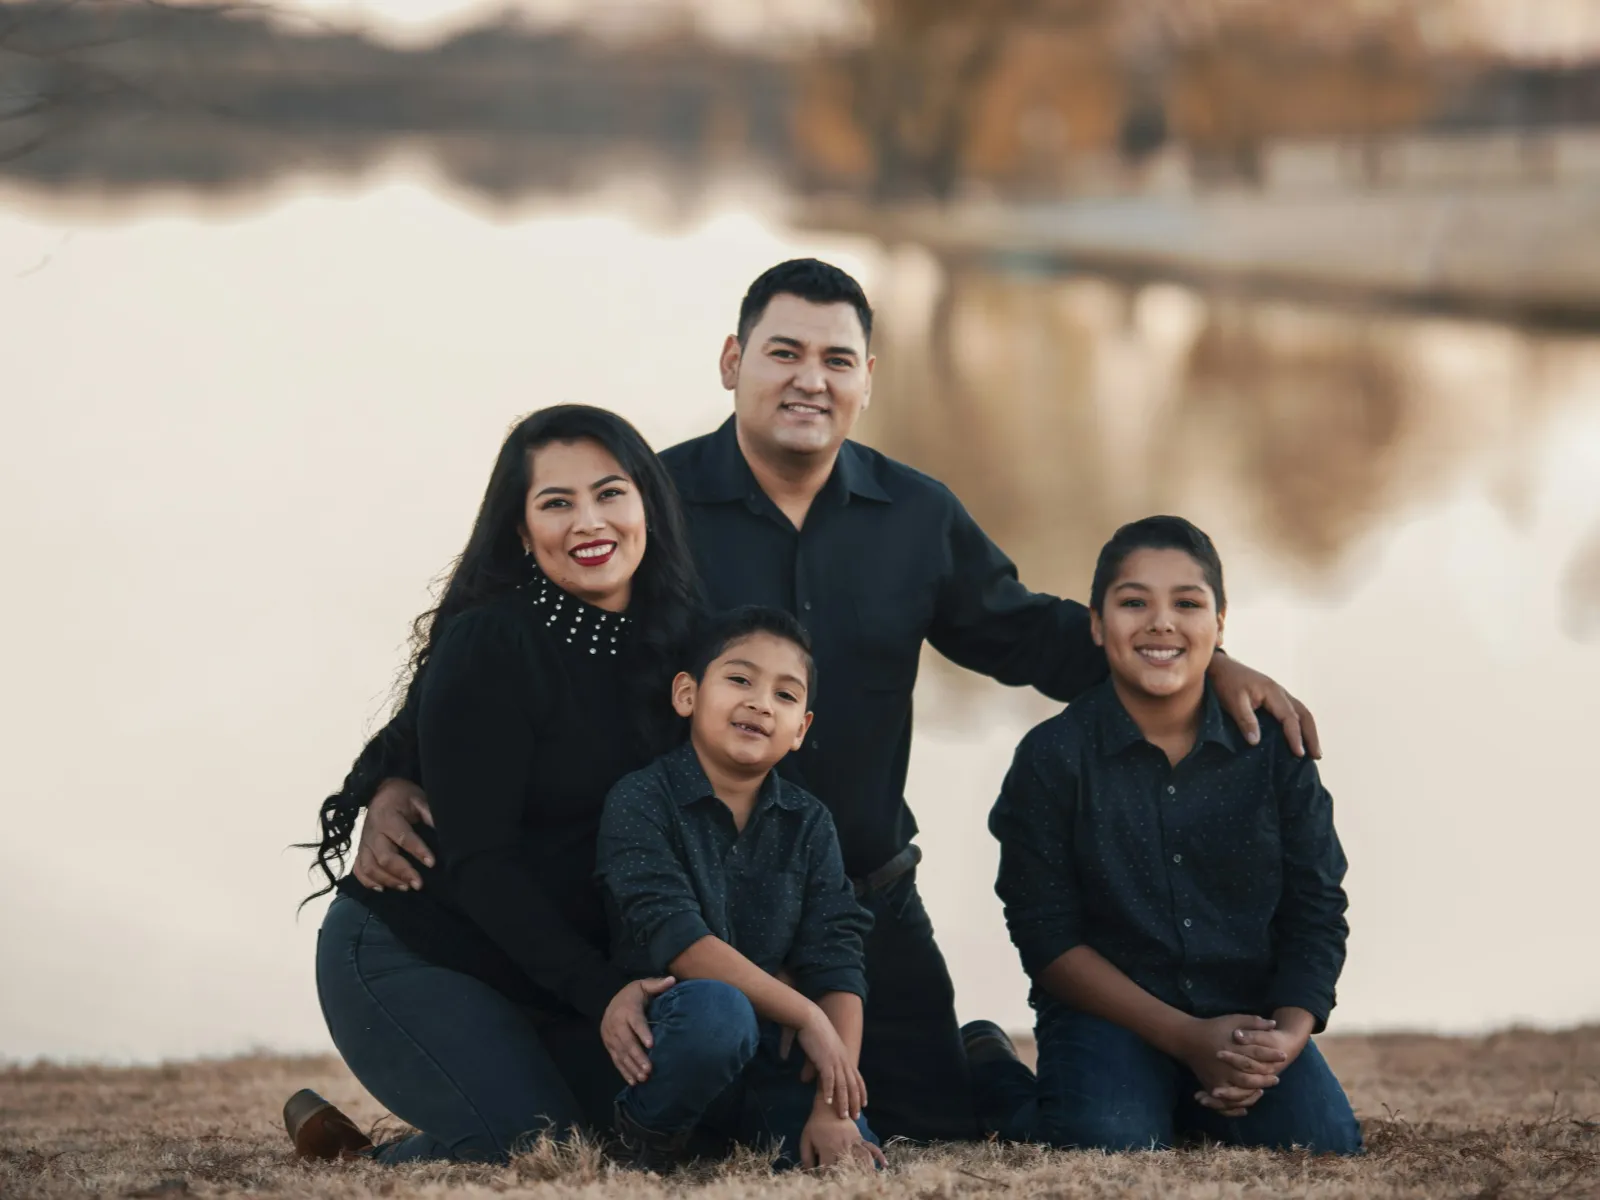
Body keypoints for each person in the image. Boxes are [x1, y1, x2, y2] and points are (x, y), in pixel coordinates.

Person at [345, 260, 1324, 1142]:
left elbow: (1027, 634)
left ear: (866, 380)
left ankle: (973, 1054)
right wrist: (392, 778)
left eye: (836, 359)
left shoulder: (918, 514)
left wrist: (1204, 664)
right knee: (735, 1118)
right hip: (712, 898)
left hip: (865, 892)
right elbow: (521, 647)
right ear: (733, 362)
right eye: (783, 352)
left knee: (940, 1123)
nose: (809, 379)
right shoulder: (649, 505)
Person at [285, 405, 702, 1163]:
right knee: (539, 1150)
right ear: (521, 530)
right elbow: (482, 863)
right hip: (417, 951)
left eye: (610, 493)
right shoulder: (492, 642)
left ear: (648, 502)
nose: (589, 522)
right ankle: (352, 1164)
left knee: (639, 1132)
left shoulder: (684, 642)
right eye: (556, 502)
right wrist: (603, 993)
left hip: (542, 969)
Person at [975, 516, 1360, 1154]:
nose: (1161, 623)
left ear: (1220, 625)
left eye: (1187, 604)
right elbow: (1045, 936)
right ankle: (988, 1065)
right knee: (1107, 1141)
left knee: (1322, 1142)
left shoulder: (1274, 749)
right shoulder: (1053, 757)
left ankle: (1179, 1102)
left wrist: (1286, 1037)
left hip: (1242, 1012)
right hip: (1111, 1015)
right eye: (1134, 603)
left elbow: (1317, 903)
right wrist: (1184, 1038)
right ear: (1096, 624)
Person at [596, 606, 884, 1170]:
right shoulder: (642, 799)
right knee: (719, 1012)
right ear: (687, 695)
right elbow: (679, 940)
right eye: (740, 680)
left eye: (785, 694)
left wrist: (832, 1108)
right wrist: (807, 1015)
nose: (761, 703)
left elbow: (837, 960)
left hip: (772, 1057)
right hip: (672, 1040)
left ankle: (738, 1137)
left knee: (849, 1164)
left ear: (800, 729)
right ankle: (645, 1136)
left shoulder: (809, 822)